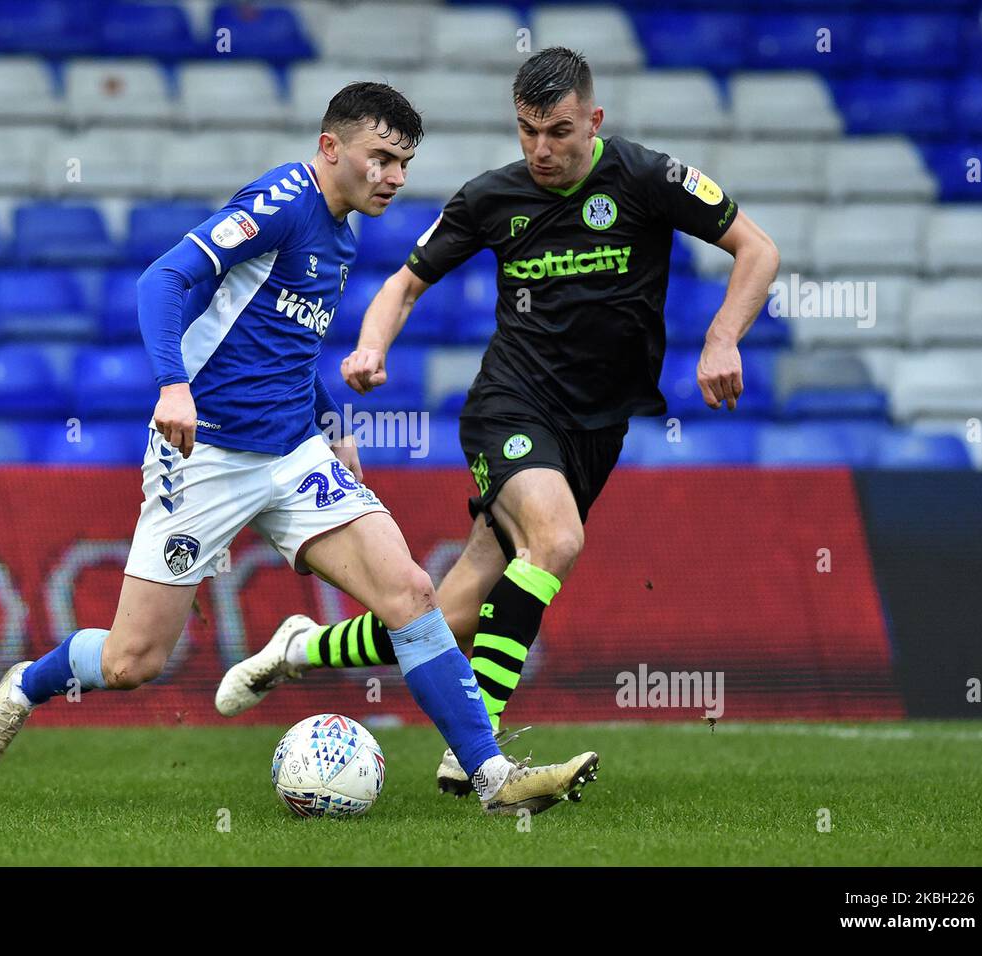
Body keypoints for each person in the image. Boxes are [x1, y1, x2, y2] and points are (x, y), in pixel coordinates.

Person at [0, 82, 598, 816]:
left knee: (412, 594)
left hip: (295, 457)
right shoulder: (281, 204)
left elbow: (285, 347)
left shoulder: (344, 233)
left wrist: (332, 425)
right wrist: (172, 385)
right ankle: (23, 687)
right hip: (206, 458)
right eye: (380, 158)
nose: (392, 177)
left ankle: (491, 778)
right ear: (331, 149)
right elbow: (163, 279)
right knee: (132, 661)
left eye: (404, 164)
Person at [215, 50, 780, 795]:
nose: (541, 150)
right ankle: (475, 752)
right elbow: (405, 283)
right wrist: (372, 345)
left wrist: (722, 337)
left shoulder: (647, 179)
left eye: (559, 132)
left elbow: (757, 250)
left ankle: (300, 648)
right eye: (526, 132)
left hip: (597, 429)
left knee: (447, 619)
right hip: (509, 408)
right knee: (557, 540)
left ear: (594, 122)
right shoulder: (492, 198)